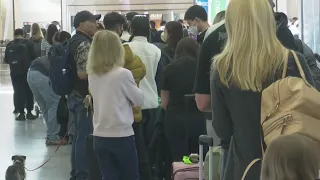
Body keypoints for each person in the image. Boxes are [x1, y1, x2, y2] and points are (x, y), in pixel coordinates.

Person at [210, 0, 314, 179]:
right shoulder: (293, 61)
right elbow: (311, 111)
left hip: (244, 168)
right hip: (291, 169)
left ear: (232, 23)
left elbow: (223, 129)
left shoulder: (222, 69)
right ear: (268, 20)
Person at [87, 30, 143, 180]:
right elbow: (139, 100)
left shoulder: (92, 75)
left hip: (99, 135)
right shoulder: (123, 74)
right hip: (122, 135)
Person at [125, 15, 161, 180]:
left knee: (135, 148)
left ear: (131, 29)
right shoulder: (156, 50)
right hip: (152, 103)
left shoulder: (125, 48)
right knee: (150, 147)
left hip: (132, 106)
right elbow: (158, 78)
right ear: (149, 29)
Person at [160, 37, 206, 164]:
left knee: (179, 159)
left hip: (175, 120)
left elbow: (164, 103)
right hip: (199, 120)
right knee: (199, 160)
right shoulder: (203, 68)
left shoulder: (169, 69)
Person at [68, 10, 100, 180]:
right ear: (81, 24)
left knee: (78, 138)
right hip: (83, 98)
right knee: (83, 138)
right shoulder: (83, 44)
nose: (95, 24)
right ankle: (81, 174)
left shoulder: (74, 40)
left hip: (74, 95)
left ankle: (76, 173)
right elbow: (82, 73)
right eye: (92, 21)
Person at [27, 31, 71, 145]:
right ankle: (53, 136)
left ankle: (51, 133)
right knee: (53, 104)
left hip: (31, 72)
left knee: (45, 106)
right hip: (42, 74)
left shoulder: (56, 50)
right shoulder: (64, 53)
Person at [4, 29, 37, 121]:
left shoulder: (9, 45)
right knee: (28, 91)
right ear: (23, 34)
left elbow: (6, 60)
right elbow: (34, 57)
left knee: (18, 91)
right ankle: (29, 112)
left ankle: (21, 113)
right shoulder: (29, 43)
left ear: (14, 34)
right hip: (27, 71)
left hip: (15, 72)